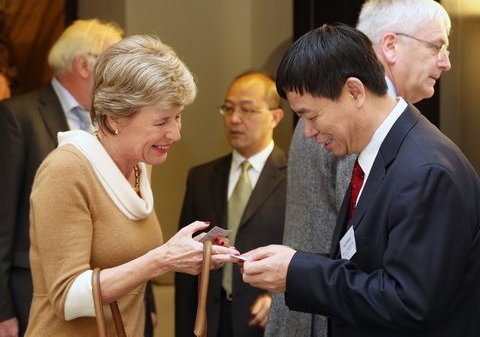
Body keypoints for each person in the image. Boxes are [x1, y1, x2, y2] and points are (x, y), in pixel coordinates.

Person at [242, 23, 480, 336]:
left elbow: (408, 301)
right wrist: (293, 263)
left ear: (355, 91)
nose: (309, 133)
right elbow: (369, 262)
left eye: (311, 117)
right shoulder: (379, 155)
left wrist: (297, 272)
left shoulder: (425, 171)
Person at [23, 35, 239, 336]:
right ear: (115, 118)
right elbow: (68, 298)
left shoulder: (139, 166)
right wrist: (163, 259)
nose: (175, 134)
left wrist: (186, 254)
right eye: (161, 122)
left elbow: (128, 261)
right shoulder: (66, 170)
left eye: (178, 117)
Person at [0, 19, 123, 337]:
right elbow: (2, 218)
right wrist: (1, 309)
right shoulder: (18, 116)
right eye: (113, 63)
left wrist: (145, 302)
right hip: (34, 290)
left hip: (102, 291)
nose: (120, 75)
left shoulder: (113, 122)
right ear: (85, 64)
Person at [175, 72, 287, 337]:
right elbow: (185, 268)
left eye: (247, 110)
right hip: (211, 320)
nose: (235, 119)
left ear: (275, 117)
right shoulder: (201, 178)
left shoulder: (297, 177)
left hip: (265, 321)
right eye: (228, 108)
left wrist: (279, 300)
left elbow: (307, 254)